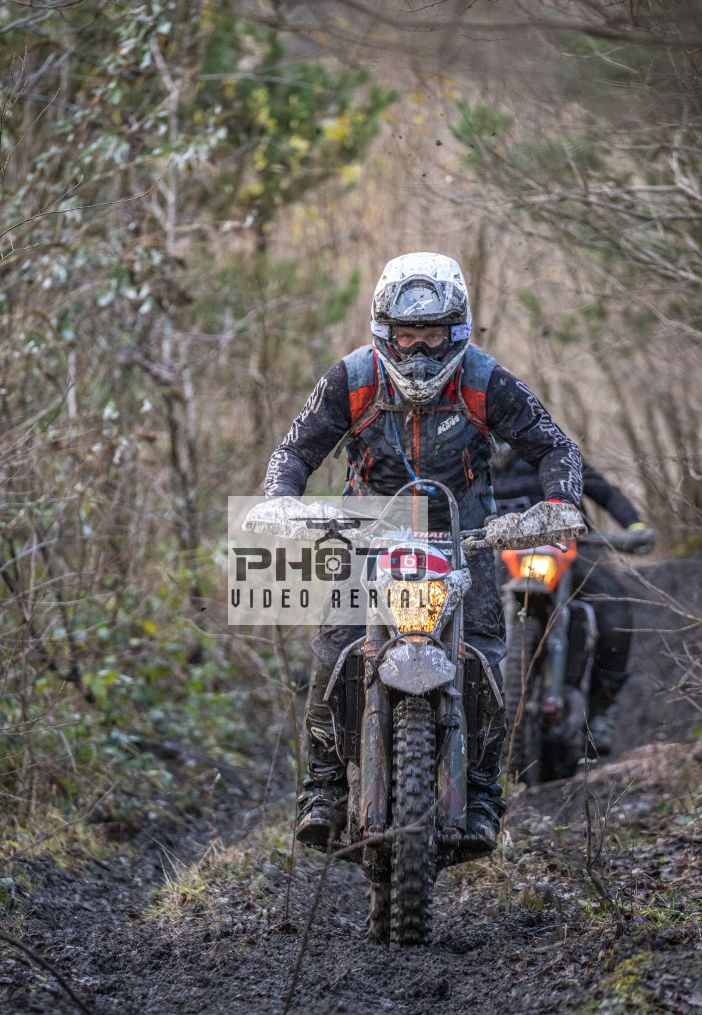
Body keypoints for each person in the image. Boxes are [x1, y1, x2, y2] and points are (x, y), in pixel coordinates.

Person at [263, 252, 584, 853]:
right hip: (370, 533)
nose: (417, 351)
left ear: (455, 329)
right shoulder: (353, 378)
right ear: (384, 331)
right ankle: (325, 788)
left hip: (467, 535)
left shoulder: (486, 380)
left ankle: (484, 794)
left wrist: (558, 503)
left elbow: (554, 446)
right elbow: (294, 452)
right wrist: (281, 500)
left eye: (431, 335)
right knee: (334, 648)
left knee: (487, 655)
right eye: (405, 336)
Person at [491, 444, 656, 753]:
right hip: (498, 557)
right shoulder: (465, 453)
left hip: (573, 548)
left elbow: (603, 491)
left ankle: (601, 708)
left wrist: (634, 527)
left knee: (615, 614)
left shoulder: (547, 446)